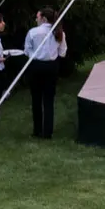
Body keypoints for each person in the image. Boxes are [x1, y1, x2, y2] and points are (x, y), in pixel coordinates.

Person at [23, 8, 67, 139]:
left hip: (36, 66)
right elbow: (62, 53)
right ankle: (48, 132)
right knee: (49, 100)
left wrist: (36, 54)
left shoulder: (33, 32)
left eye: (37, 17)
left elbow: (27, 51)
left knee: (36, 98)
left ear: (44, 18)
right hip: (51, 67)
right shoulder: (59, 33)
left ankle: (37, 130)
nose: (36, 19)